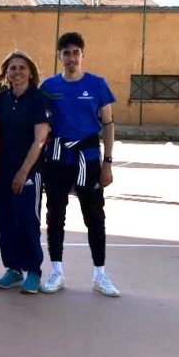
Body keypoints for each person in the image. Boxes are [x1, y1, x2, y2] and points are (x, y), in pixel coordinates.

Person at [40, 32, 120, 297]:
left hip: (89, 157)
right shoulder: (49, 86)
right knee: (55, 214)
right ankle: (56, 271)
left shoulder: (97, 84)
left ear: (83, 55)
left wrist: (108, 162)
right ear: (59, 56)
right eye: (66, 53)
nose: (71, 58)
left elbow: (108, 124)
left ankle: (100, 274)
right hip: (58, 158)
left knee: (94, 216)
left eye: (76, 52)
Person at [0, 51, 50, 295]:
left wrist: (23, 172)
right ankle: (13, 268)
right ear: (6, 73)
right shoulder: (1, 98)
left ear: (30, 72)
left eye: (22, 67)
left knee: (27, 220)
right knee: (4, 219)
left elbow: (40, 139)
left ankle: (34, 270)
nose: (17, 72)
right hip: (2, 170)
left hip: (29, 171)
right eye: (12, 68)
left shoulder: (39, 99)